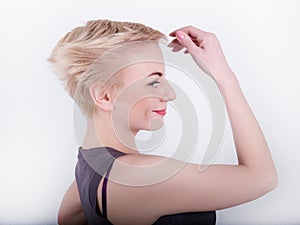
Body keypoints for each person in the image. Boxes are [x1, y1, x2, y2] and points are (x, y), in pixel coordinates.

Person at [48, 20, 278, 225]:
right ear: (105, 96)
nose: (170, 94)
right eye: (154, 82)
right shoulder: (137, 178)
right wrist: (223, 74)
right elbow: (263, 178)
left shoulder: (89, 164)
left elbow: (68, 217)